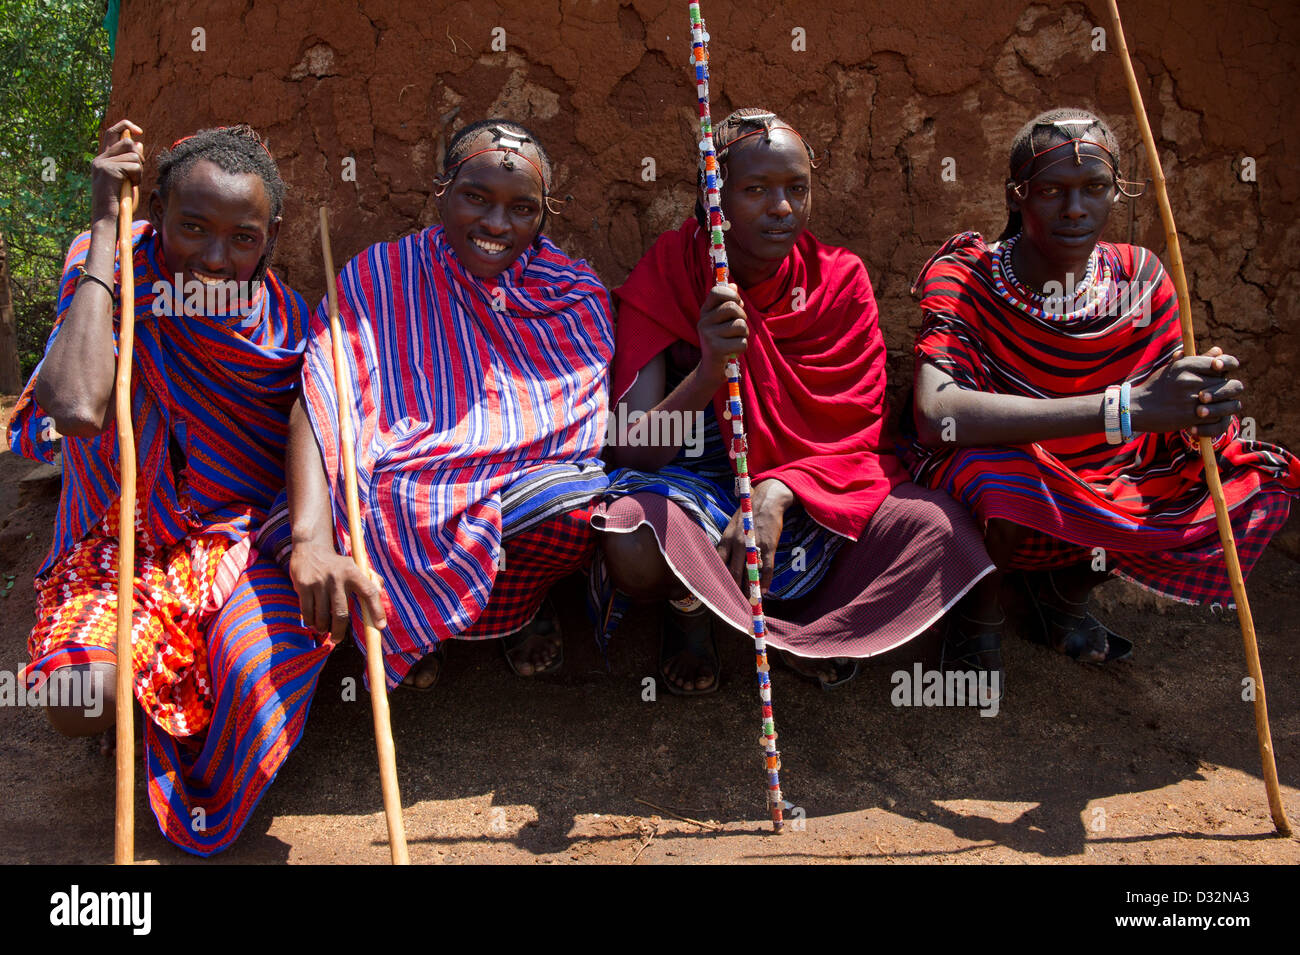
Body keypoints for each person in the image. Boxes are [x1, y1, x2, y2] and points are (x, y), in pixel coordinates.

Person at [7, 121, 331, 855]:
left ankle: (171, 707)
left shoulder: (282, 327)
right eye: (192, 227)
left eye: (242, 237)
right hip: (116, 544)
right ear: (155, 211)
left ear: (272, 237)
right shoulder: (111, 272)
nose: (214, 259)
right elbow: (78, 406)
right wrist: (100, 227)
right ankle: (137, 685)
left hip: (234, 542)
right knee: (78, 695)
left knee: (252, 674)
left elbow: (312, 431)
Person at [595, 108, 994, 695]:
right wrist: (708, 369)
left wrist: (778, 490)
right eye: (755, 190)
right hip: (698, 492)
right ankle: (689, 608)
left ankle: (804, 629)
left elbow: (858, 429)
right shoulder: (674, 272)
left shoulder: (840, 279)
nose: (781, 208)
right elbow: (634, 450)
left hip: (815, 489)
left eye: (796, 189)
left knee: (939, 528)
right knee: (633, 538)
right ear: (714, 199)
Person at [908, 107, 1300, 676]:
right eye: (1051, 191)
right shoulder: (968, 276)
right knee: (996, 481)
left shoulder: (1139, 278)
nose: (1075, 209)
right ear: (1017, 196)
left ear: (1117, 193)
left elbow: (1167, 405)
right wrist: (1123, 409)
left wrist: (1203, 413)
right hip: (1010, 470)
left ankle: (1064, 597)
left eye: (1095, 188)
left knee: (1238, 481)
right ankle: (978, 612)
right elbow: (934, 414)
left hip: (1105, 469)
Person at [276, 119, 613, 692]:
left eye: (521, 209)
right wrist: (310, 537)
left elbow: (580, 417)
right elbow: (322, 393)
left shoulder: (571, 294)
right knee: (376, 500)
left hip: (517, 488)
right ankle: (410, 629)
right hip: (399, 479)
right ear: (441, 191)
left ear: (545, 214)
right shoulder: (382, 274)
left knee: (576, 507)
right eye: (475, 198)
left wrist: (477, 458)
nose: (496, 224)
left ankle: (516, 611)